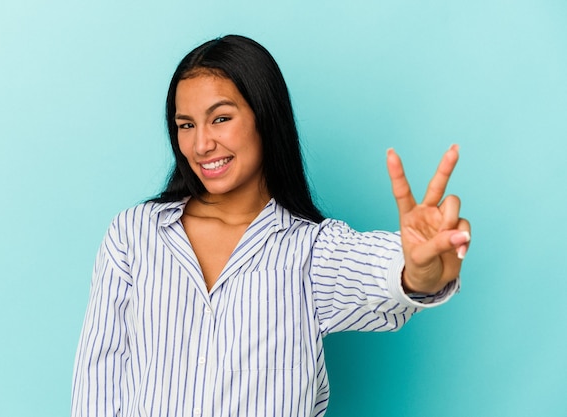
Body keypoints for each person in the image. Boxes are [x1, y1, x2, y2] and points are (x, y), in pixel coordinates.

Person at [71, 34, 471, 417]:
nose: (201, 144)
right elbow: (99, 376)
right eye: (186, 124)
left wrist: (419, 270)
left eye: (221, 118)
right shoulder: (134, 236)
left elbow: (381, 272)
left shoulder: (311, 251)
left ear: (265, 117)